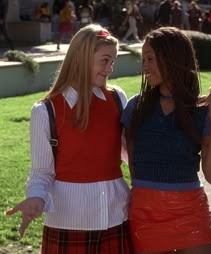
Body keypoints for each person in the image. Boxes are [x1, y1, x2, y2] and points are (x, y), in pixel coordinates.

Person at [5, 24, 132, 254]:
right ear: (82, 58)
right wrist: (35, 198)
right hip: (68, 223)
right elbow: (41, 172)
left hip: (117, 217)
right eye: (104, 61)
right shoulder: (46, 111)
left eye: (112, 62)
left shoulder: (117, 98)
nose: (109, 69)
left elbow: (128, 154)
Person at [121, 26, 211, 254]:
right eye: (143, 59)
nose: (144, 66)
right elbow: (133, 166)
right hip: (145, 213)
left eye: (150, 59)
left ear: (171, 59)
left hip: (190, 211)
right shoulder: (135, 108)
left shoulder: (202, 110)